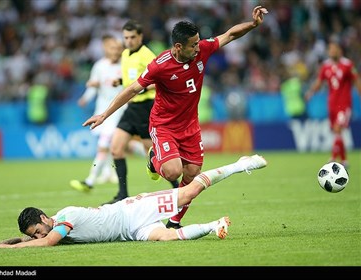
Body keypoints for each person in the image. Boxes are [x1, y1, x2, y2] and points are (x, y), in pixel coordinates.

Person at [82, 6, 268, 228]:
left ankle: (174, 220)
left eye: (198, 42)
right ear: (178, 46)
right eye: (193, 45)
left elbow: (229, 35)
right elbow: (132, 89)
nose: (199, 47)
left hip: (190, 126)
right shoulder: (159, 66)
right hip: (164, 125)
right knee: (173, 171)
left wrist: (253, 24)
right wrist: (104, 114)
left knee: (192, 173)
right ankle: (154, 160)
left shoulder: (202, 50)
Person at [0, 154, 267, 248]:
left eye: (38, 230)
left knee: (189, 191)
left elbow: (46, 243)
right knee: (165, 238)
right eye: (35, 235)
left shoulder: (65, 217)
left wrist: (7, 253)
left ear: (46, 218)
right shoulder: (53, 229)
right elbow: (34, 241)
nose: (41, 235)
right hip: (129, 231)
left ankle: (240, 164)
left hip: (133, 209)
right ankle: (215, 226)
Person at [104, 20, 178, 205]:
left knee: (153, 154)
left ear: (140, 37)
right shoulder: (126, 54)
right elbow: (133, 79)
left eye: (132, 37)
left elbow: (160, 80)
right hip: (131, 108)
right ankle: (122, 194)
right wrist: (121, 81)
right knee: (116, 148)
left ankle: (177, 187)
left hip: (146, 107)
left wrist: (143, 89)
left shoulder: (147, 55)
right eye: (126, 38)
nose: (128, 41)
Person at [70, 34, 125, 191]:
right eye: (111, 48)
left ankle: (90, 180)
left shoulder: (125, 65)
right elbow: (93, 86)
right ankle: (108, 172)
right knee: (108, 144)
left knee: (104, 145)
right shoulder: (100, 66)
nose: (115, 51)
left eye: (117, 48)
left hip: (119, 110)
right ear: (106, 49)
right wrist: (85, 98)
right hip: (102, 110)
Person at [305, 39, 361, 169]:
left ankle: (333, 158)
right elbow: (319, 82)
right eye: (330, 49)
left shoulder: (348, 65)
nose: (331, 51)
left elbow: (356, 81)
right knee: (337, 133)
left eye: (333, 49)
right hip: (332, 104)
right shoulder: (325, 66)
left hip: (344, 104)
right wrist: (310, 93)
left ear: (339, 50)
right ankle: (344, 160)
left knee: (337, 129)